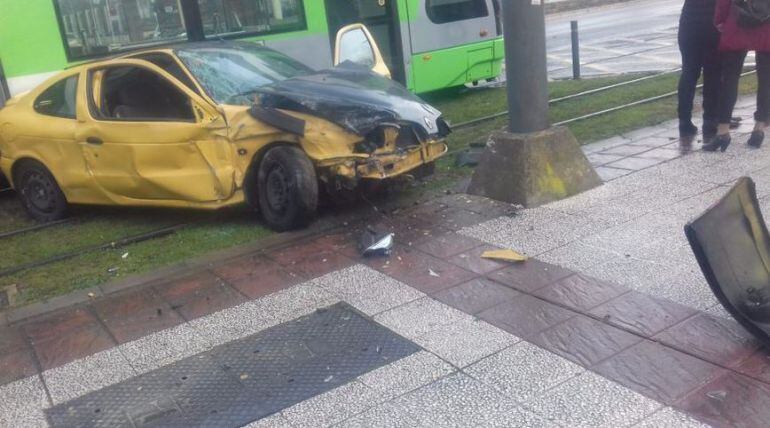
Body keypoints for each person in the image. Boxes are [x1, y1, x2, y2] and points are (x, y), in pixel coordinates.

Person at [706, 0, 770, 151]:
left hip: (738, 22)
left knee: (729, 79)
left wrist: (720, 20)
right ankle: (759, 129)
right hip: (767, 23)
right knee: (766, 79)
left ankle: (723, 131)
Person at [677, 0, 721, 142]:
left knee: (689, 73)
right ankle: (710, 120)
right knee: (713, 74)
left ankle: (684, 120)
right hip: (712, 25)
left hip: (689, 24)